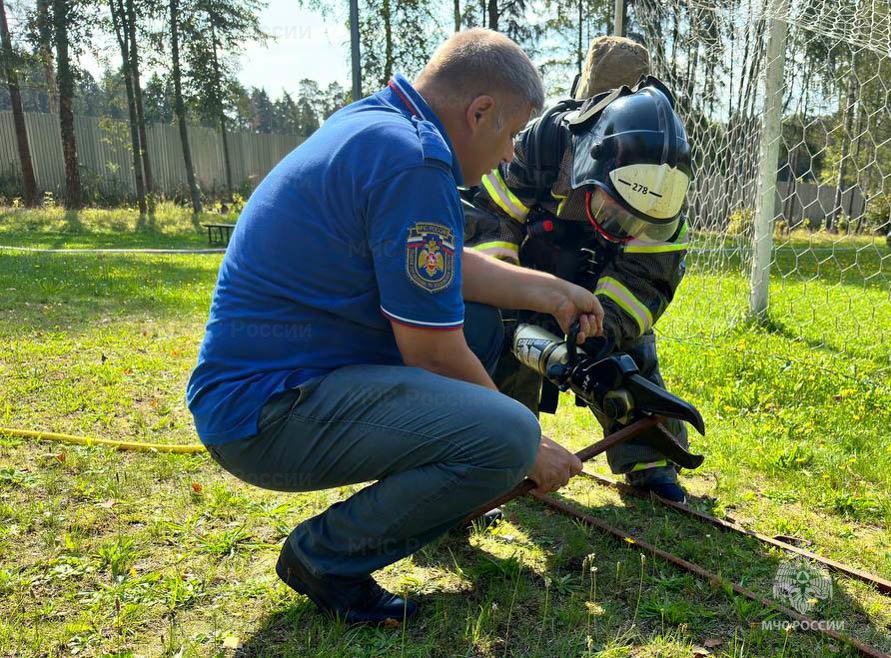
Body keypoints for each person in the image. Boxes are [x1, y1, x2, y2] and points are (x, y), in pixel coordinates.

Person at [186, 29, 605, 624]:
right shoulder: (415, 160)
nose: (511, 153)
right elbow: (432, 355)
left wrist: (554, 290)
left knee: (483, 326)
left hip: (273, 387)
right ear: (478, 112)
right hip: (264, 415)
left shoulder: (379, 126)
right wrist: (529, 450)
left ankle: (446, 491)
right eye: (510, 133)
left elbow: (440, 269)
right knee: (506, 435)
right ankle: (327, 558)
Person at [463, 35, 695, 502]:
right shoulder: (542, 144)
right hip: (526, 277)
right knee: (505, 357)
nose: (624, 225)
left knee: (629, 362)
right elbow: (489, 213)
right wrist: (510, 285)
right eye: (614, 211)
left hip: (601, 286)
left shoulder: (661, 170)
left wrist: (604, 328)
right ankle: (505, 455)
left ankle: (649, 460)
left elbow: (648, 276)